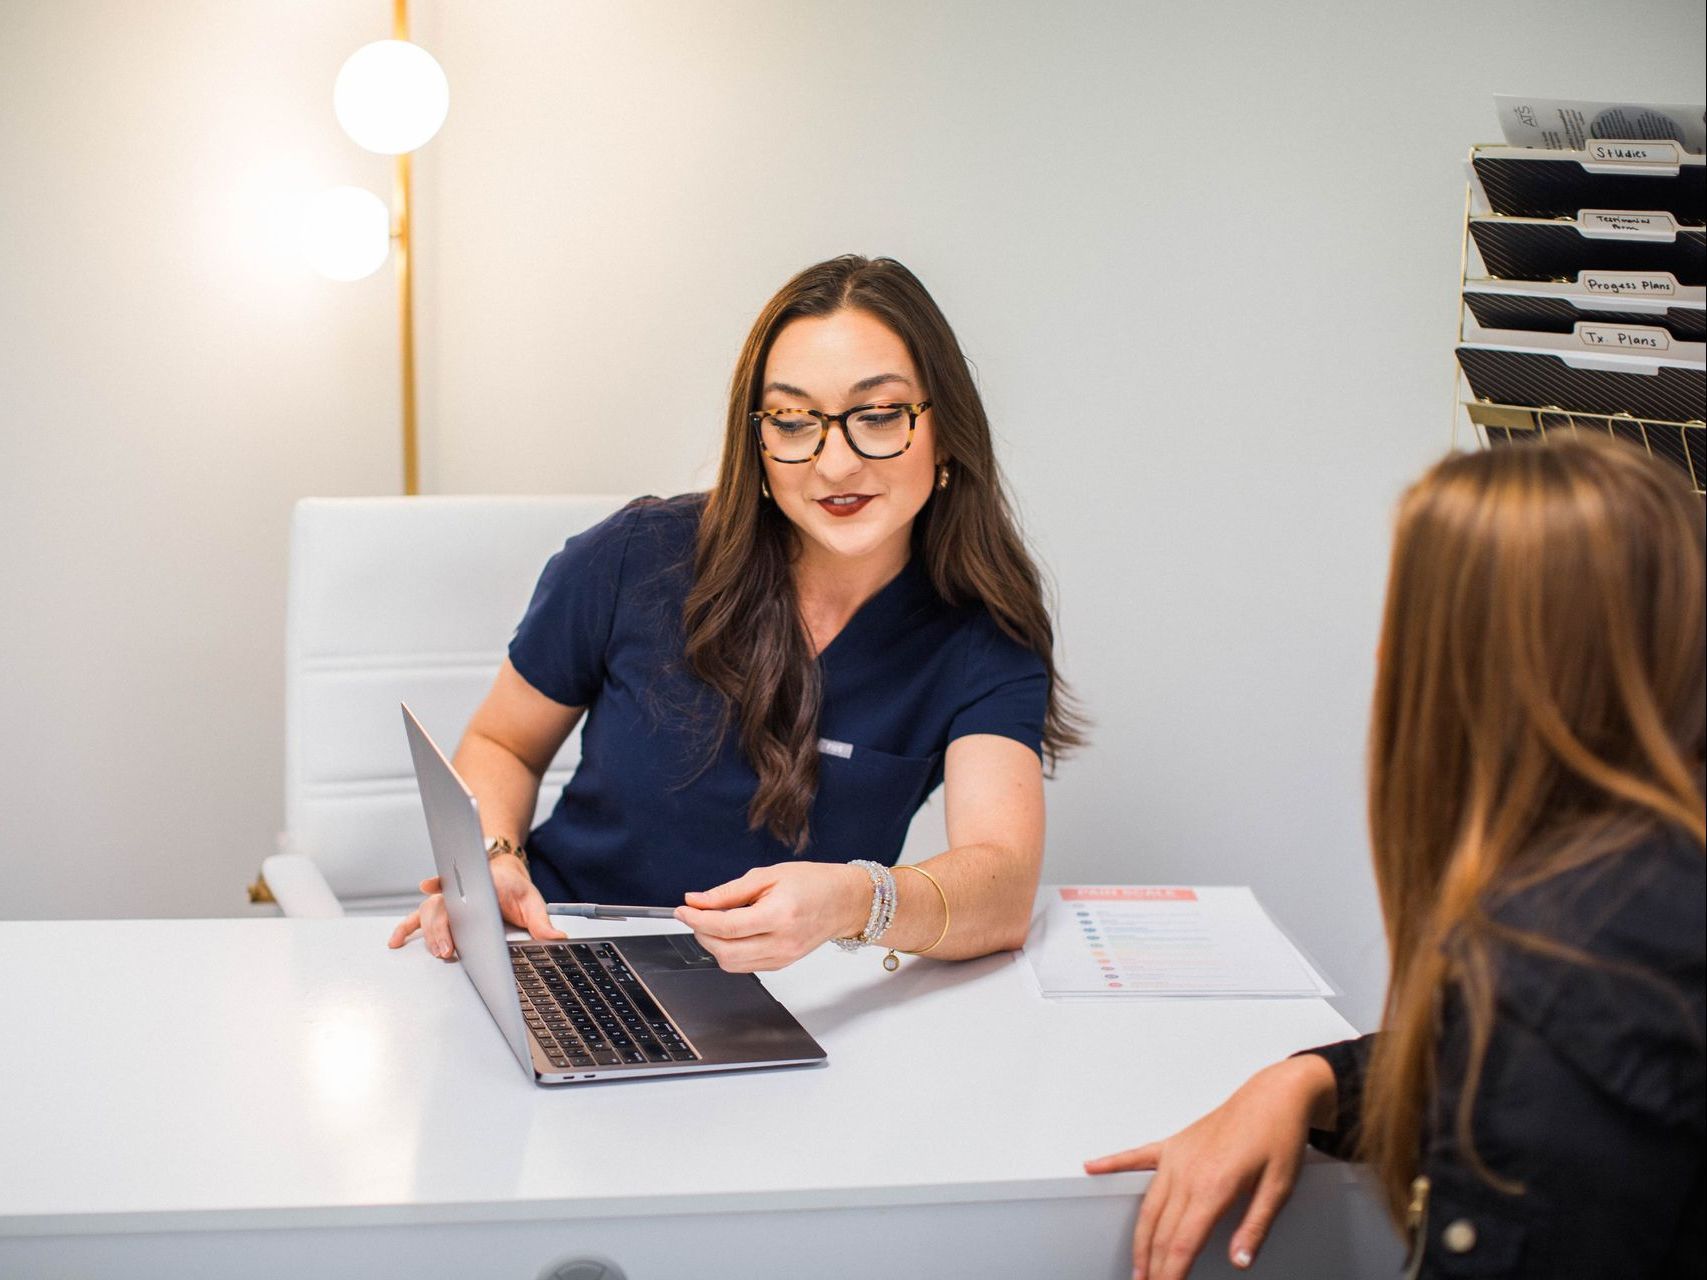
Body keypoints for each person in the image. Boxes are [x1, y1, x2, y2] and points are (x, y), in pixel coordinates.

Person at [1087, 437, 1705, 1279]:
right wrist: (1314, 1080)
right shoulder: (1648, 896)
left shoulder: (1556, 963)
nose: (1382, 657)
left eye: (1402, 622)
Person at [389, 255, 1084, 972]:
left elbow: (1000, 889)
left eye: (877, 416)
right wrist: (495, 857)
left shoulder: (982, 634)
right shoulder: (635, 556)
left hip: (795, 1000)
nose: (834, 463)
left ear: (945, 431)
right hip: (564, 950)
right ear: (757, 440)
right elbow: (504, 743)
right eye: (791, 420)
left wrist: (852, 899)